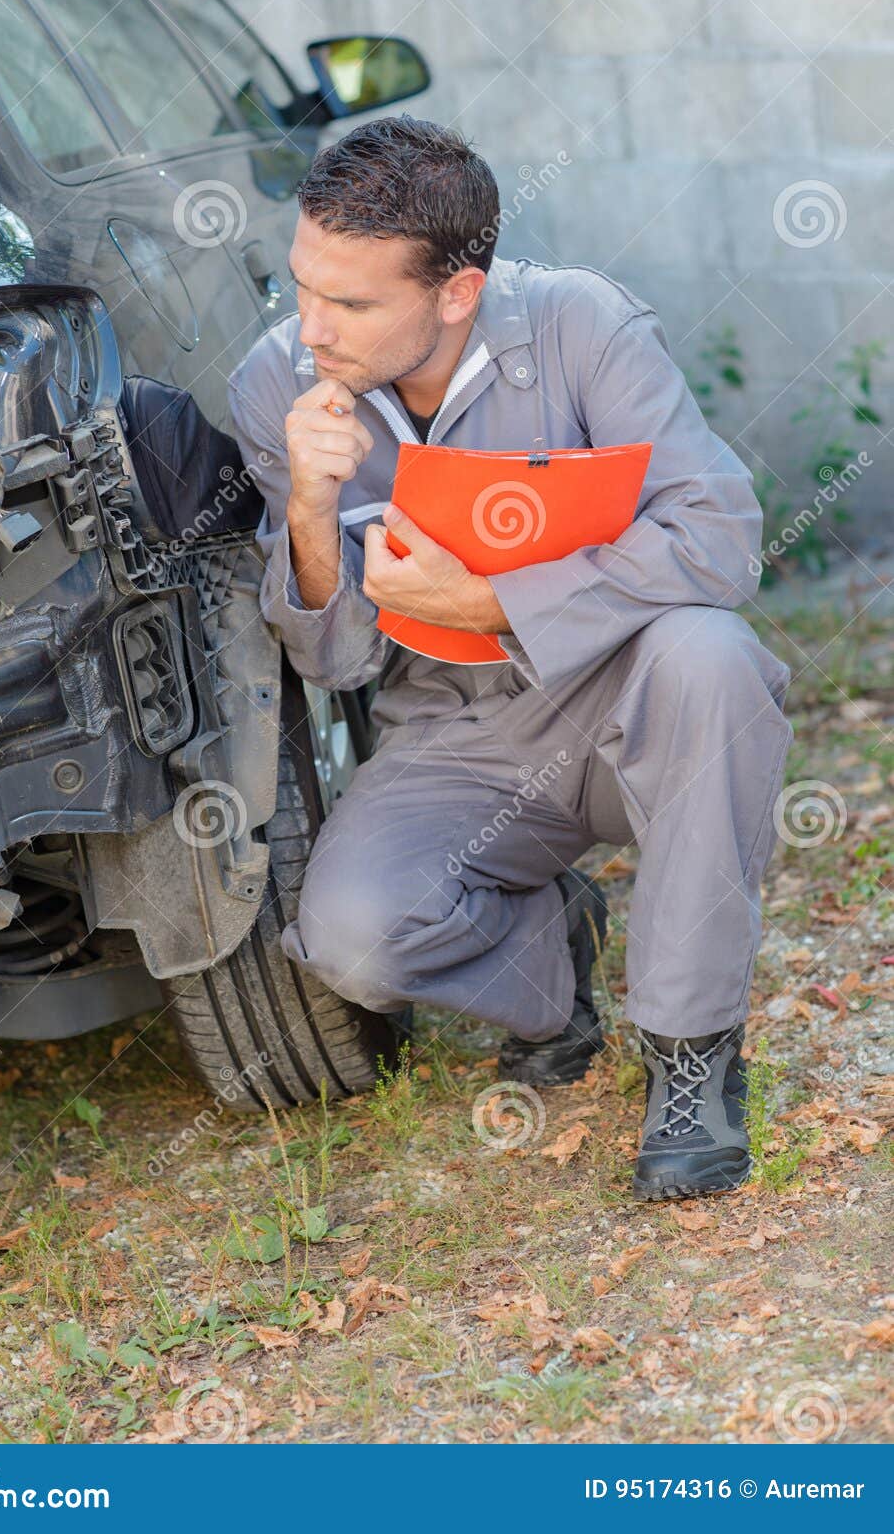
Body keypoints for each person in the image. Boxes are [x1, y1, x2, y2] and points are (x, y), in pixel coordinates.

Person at [227, 116, 793, 1201]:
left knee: (712, 656)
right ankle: (552, 948)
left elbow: (720, 536)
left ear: (457, 292)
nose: (314, 329)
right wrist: (308, 512)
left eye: (352, 304)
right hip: (459, 728)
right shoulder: (275, 386)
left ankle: (692, 1053)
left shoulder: (583, 326)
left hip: (634, 691)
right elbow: (338, 666)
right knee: (354, 938)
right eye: (302, 287)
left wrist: (489, 600)